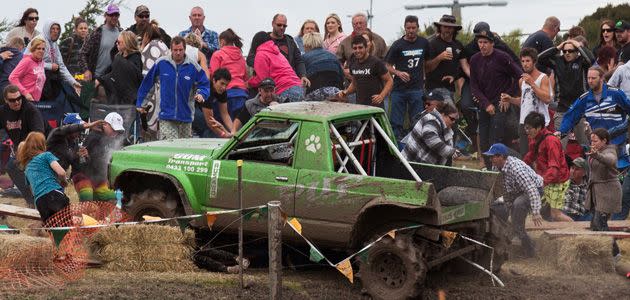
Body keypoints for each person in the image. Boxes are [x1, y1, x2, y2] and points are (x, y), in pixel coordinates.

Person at [136, 37, 210, 140]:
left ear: (185, 49)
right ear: (171, 49)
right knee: (170, 149)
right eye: (175, 50)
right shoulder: (161, 63)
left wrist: (202, 94)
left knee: (184, 152)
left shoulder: (193, 67)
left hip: (186, 116)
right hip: (166, 116)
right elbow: (148, 83)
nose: (178, 53)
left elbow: (204, 83)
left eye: (180, 50)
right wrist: (141, 103)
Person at [470, 31, 522, 168]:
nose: (482, 46)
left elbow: (520, 76)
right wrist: (485, 103)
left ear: (492, 43)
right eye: (480, 42)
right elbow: (473, 86)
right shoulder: (475, 59)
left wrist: (508, 96)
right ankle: (488, 169)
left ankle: (498, 170)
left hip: (500, 103)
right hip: (484, 103)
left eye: (485, 42)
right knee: (483, 142)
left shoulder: (502, 57)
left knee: (495, 140)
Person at [484, 143, 542, 257]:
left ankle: (530, 250)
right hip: (516, 191)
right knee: (499, 208)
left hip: (534, 189)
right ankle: (510, 240)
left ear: (501, 157)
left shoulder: (516, 169)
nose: (490, 159)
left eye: (493, 157)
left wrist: (536, 212)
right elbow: (503, 188)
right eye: (490, 157)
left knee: (518, 208)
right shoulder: (497, 167)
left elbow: (532, 190)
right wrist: (507, 206)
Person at [539, 39, 593, 144]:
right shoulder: (558, 61)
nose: (567, 53)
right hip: (562, 109)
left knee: (587, 145)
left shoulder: (582, 62)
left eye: (570, 51)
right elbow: (540, 58)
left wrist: (578, 45)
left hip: (580, 110)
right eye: (565, 51)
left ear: (577, 52)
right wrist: (558, 47)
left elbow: (591, 59)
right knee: (559, 146)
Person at [386, 15, 430, 142]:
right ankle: (396, 148)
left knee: (417, 121)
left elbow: (427, 62)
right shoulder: (397, 45)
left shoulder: (423, 43)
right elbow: (387, 65)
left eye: (413, 28)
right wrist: (398, 73)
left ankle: (415, 146)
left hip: (416, 88)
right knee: (396, 122)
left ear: (418, 28)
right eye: (408, 28)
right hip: (399, 89)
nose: (411, 31)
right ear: (404, 28)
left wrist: (424, 77)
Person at [0, 84, 45, 207]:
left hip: (37, 147)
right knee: (12, 167)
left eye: (19, 98)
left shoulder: (30, 110)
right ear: (6, 100)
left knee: (14, 166)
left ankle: (37, 200)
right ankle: (31, 200)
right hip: (20, 149)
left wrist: (24, 147)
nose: (17, 102)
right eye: (12, 100)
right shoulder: (3, 111)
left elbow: (39, 134)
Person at [501, 47, 552, 155]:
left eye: (528, 61)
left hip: (539, 122)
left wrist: (532, 84)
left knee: (540, 155)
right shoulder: (521, 80)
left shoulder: (543, 78)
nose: (525, 64)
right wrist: (510, 99)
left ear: (534, 61)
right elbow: (524, 101)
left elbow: (547, 99)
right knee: (526, 155)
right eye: (523, 61)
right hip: (523, 122)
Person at [522, 112, 571, 222]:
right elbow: (529, 157)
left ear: (538, 127)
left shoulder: (551, 141)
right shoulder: (535, 139)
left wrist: (540, 183)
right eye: (525, 128)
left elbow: (554, 168)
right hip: (547, 179)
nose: (526, 131)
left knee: (556, 215)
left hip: (558, 181)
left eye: (529, 128)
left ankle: (577, 233)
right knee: (538, 209)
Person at [72, 112, 126, 201]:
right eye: (114, 129)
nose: (116, 133)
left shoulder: (112, 139)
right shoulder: (93, 137)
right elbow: (80, 162)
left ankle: (100, 212)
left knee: (113, 197)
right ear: (105, 125)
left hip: (98, 177)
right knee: (87, 196)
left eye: (118, 131)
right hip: (83, 175)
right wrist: (88, 157)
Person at [16, 131, 68, 223]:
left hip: (40, 202)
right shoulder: (46, 155)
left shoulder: (27, 168)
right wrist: (64, 182)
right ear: (42, 144)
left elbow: (32, 190)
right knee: (67, 226)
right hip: (53, 194)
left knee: (54, 230)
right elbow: (61, 173)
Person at [586, 128, 621, 259]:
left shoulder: (610, 150)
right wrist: (588, 130)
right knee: (595, 225)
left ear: (604, 141)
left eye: (595, 141)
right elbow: (590, 138)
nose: (592, 143)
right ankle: (601, 254)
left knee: (600, 223)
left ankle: (615, 254)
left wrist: (596, 155)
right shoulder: (597, 149)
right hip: (597, 193)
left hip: (609, 193)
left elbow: (610, 160)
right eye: (591, 141)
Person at [246, 14, 308, 87]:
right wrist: (268, 64)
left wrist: (303, 75)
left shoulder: (290, 41)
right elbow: (250, 58)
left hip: (288, 82)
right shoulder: (263, 39)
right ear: (272, 24)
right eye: (279, 25)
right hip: (267, 82)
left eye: (284, 26)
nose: (282, 27)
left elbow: (299, 60)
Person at [46, 114, 104, 189]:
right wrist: (86, 126)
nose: (80, 132)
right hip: (47, 179)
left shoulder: (74, 143)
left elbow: (78, 167)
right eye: (77, 129)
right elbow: (66, 129)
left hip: (60, 181)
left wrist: (85, 157)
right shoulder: (55, 135)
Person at [29, 20, 82, 99]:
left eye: (58, 29)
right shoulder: (38, 40)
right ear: (47, 29)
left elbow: (61, 65)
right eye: (53, 29)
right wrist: (49, 66)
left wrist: (73, 82)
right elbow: (28, 61)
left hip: (49, 81)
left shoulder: (53, 44)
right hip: (34, 82)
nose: (56, 31)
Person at [248, 31, 304, 102]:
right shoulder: (277, 52)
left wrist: (248, 83)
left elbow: (263, 80)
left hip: (284, 90)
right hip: (298, 87)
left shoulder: (261, 54)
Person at [338, 35, 392, 108]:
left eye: (360, 48)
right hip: (360, 106)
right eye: (355, 48)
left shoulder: (376, 62)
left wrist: (381, 96)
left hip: (375, 107)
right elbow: (354, 83)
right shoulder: (353, 63)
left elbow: (389, 80)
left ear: (366, 48)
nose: (357, 51)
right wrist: (346, 92)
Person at [425, 15, 470, 100]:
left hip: (450, 89)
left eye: (450, 27)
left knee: (450, 113)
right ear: (440, 28)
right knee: (434, 113)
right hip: (433, 88)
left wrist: (477, 80)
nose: (447, 29)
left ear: (454, 29)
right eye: (445, 27)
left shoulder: (458, 45)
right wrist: (439, 58)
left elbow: (465, 67)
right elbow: (427, 68)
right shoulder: (432, 44)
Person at [210, 29, 248, 122]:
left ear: (222, 41)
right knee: (239, 128)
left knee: (223, 125)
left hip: (225, 95)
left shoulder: (218, 54)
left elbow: (214, 76)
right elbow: (245, 77)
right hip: (242, 95)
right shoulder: (241, 57)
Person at [96, 31, 142, 105]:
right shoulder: (119, 57)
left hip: (128, 101)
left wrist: (102, 79)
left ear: (127, 43)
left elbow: (117, 75)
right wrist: (99, 80)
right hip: (118, 97)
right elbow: (109, 70)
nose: (116, 44)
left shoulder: (135, 59)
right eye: (116, 42)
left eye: (119, 42)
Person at [79, 4, 122, 82]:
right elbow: (82, 53)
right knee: (88, 94)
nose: (114, 17)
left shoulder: (122, 33)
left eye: (116, 14)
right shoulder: (96, 33)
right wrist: (86, 70)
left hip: (114, 80)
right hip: (95, 77)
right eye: (111, 14)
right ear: (105, 15)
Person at [302, 32, 344, 101]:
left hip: (314, 93)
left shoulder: (303, 58)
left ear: (306, 45)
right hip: (336, 92)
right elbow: (341, 77)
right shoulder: (333, 56)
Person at [193, 68, 232, 138]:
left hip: (199, 106)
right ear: (214, 80)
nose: (223, 87)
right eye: (222, 83)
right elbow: (209, 121)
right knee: (207, 126)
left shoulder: (222, 91)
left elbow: (225, 114)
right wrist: (224, 135)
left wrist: (234, 132)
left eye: (226, 85)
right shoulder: (207, 89)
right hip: (189, 107)